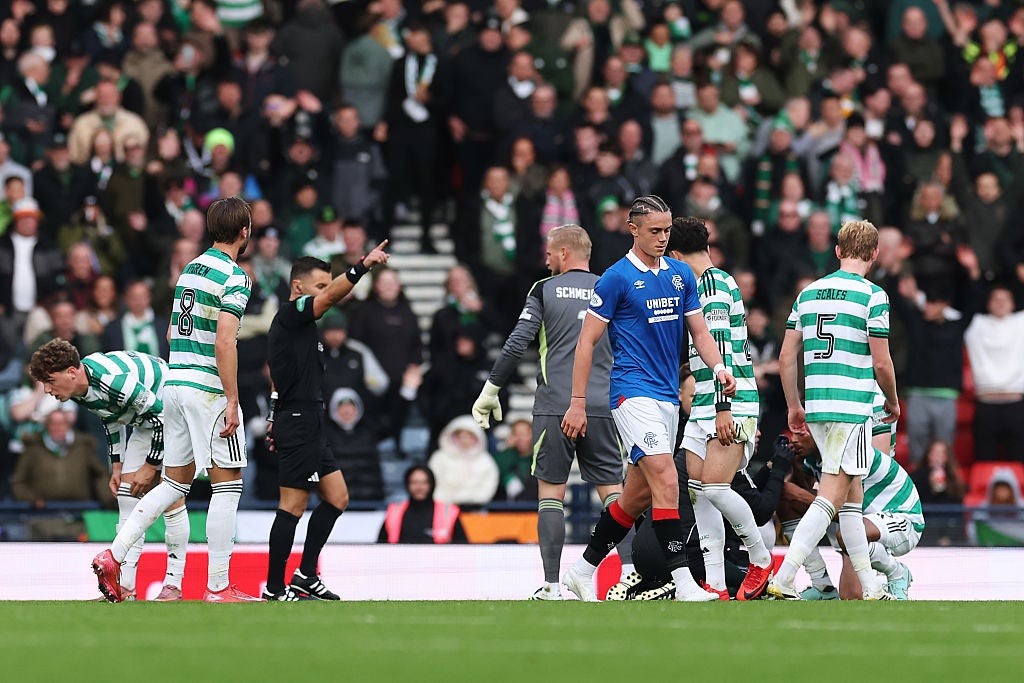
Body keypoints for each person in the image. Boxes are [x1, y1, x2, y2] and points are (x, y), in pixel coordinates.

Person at [559, 195, 737, 603]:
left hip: (667, 396)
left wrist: (718, 368)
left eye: (667, 231)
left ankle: (581, 571)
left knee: (636, 496)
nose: (662, 238)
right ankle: (684, 583)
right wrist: (578, 401)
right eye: (654, 231)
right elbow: (586, 342)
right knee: (667, 478)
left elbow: (700, 332)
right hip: (631, 393)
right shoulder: (616, 278)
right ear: (633, 229)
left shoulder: (680, 275)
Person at [91, 196, 258, 603]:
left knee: (174, 483)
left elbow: (170, 333)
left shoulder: (189, 269)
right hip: (207, 389)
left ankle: (113, 554)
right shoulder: (236, 277)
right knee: (228, 485)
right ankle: (219, 586)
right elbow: (225, 341)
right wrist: (231, 398)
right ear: (244, 232)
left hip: (174, 382)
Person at [472, 224, 629, 600]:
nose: (545, 260)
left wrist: (491, 389)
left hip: (555, 406)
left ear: (563, 253)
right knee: (617, 497)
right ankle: (630, 577)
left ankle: (552, 586)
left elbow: (517, 343)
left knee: (551, 496)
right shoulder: (611, 287)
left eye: (548, 253)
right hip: (602, 404)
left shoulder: (544, 289)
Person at [767, 220, 899, 601]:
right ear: (875, 254)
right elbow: (882, 363)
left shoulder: (808, 294)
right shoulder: (873, 296)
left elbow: (786, 356)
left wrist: (794, 404)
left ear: (838, 251)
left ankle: (871, 586)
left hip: (818, 406)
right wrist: (891, 400)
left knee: (851, 503)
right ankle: (785, 576)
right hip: (851, 407)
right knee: (831, 498)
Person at [262, 243, 389, 601]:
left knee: (337, 498)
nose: (326, 292)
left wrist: (272, 415)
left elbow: (278, 374)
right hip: (298, 420)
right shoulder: (292, 313)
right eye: (320, 286)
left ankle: (305, 574)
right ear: (298, 287)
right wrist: (361, 266)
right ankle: (274, 588)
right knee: (292, 506)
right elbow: (332, 296)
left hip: (309, 420)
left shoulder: (301, 327)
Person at [29, 339, 188, 602]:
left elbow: (161, 416)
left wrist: (151, 465)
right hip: (147, 419)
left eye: (50, 381)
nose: (47, 390)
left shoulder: (111, 381)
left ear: (71, 372)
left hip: (175, 411)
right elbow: (111, 418)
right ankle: (124, 586)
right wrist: (117, 465)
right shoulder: (78, 389)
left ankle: (174, 584)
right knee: (127, 494)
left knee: (171, 495)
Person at [665, 217, 772, 601]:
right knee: (699, 490)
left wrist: (724, 407)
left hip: (727, 400)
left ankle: (761, 557)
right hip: (705, 401)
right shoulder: (712, 282)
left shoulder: (710, 285)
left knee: (714, 485)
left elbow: (721, 345)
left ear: (676, 256)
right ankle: (715, 583)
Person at [781, 429, 923, 600]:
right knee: (784, 497)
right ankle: (822, 586)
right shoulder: (813, 459)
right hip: (861, 521)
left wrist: (799, 495)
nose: (794, 439)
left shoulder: (850, 455)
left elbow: (847, 510)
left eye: (801, 434)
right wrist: (794, 465)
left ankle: (896, 572)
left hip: (902, 519)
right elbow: (806, 496)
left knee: (846, 537)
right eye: (793, 433)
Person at [378, 465, 467, 544]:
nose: (419, 487)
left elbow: (464, 548)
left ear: (432, 485)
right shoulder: (394, 512)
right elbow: (380, 547)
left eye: (424, 483)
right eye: (414, 482)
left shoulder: (448, 512)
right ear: (407, 484)